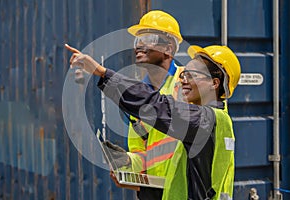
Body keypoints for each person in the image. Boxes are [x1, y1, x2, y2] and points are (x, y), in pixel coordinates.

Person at [65, 43, 241, 200]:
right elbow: (185, 188)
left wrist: (101, 72)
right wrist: (137, 184)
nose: (184, 80)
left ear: (214, 83)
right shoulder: (214, 122)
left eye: (192, 75)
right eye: (184, 74)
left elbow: (154, 105)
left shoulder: (205, 120)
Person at [66, 10, 188, 200]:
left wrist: (101, 72)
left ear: (169, 49)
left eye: (149, 38)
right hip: (155, 194)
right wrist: (126, 163)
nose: (139, 45)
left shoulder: (188, 83)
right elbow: (142, 153)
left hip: (186, 192)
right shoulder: (136, 96)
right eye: (137, 40)